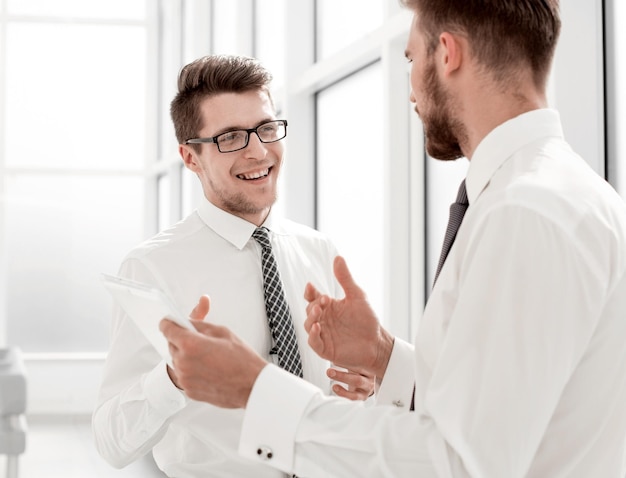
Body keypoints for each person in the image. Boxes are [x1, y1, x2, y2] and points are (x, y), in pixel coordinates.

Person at [159, 1, 626, 477]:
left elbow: (458, 464)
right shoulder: (550, 193)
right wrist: (385, 356)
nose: (410, 91)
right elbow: (503, 409)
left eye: (409, 58)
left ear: (447, 54)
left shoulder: (525, 214)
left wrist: (257, 392)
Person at [92, 54, 373, 478]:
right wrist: (173, 377)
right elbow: (112, 442)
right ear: (190, 157)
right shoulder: (151, 267)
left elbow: (347, 392)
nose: (258, 151)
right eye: (230, 138)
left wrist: (366, 385)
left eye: (265, 128)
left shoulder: (318, 249)